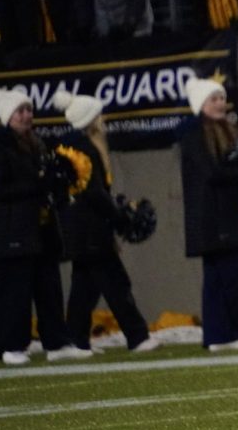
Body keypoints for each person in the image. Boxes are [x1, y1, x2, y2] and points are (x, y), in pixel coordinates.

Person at [0, 88, 90, 365]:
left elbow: (45, 181)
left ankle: (56, 342)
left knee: (49, 289)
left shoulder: (36, 143)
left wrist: (56, 181)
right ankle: (12, 346)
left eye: (29, 109)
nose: (27, 115)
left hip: (41, 229)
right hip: (13, 231)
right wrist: (38, 183)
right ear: (7, 117)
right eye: (20, 111)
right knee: (15, 293)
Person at [52, 91, 161, 353]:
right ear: (90, 120)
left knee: (84, 290)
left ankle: (76, 341)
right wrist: (119, 216)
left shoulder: (75, 148)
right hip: (91, 232)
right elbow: (94, 193)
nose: (104, 119)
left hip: (82, 232)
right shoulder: (85, 148)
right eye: (99, 115)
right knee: (116, 283)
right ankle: (138, 337)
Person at [178, 77, 238, 352]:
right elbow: (212, 172)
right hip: (213, 218)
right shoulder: (194, 134)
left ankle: (223, 334)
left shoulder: (229, 130)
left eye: (222, 98)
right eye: (213, 99)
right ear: (200, 104)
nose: (220, 103)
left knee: (226, 277)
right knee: (234, 275)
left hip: (231, 215)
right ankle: (223, 334)